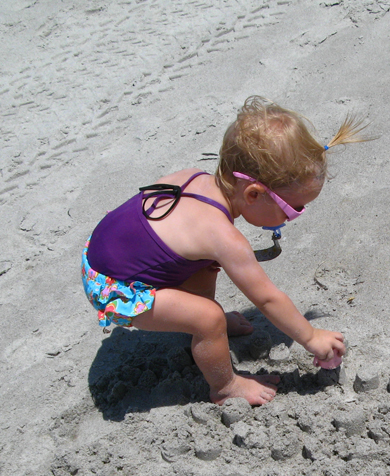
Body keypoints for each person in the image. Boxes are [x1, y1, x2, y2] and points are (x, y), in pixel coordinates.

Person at [82, 97, 369, 405]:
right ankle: (224, 387)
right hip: (116, 288)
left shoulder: (193, 176)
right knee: (208, 319)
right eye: (293, 209)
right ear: (254, 193)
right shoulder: (222, 236)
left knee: (205, 263)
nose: (292, 217)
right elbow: (267, 297)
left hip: (104, 256)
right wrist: (311, 338)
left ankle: (205, 323)